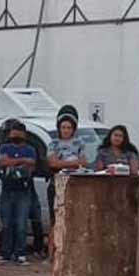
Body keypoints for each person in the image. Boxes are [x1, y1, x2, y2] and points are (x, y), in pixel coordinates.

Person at [47, 105, 87, 258]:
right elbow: (53, 163)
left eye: (69, 127)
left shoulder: (80, 143)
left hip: (75, 184)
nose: (66, 130)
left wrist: (63, 162)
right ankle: (52, 254)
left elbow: (83, 162)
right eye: (63, 127)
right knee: (55, 220)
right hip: (56, 184)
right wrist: (73, 162)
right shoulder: (53, 144)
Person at [0, 120, 36, 265]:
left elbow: (32, 164)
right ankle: (5, 253)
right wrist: (22, 161)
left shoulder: (30, 149)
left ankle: (20, 253)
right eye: (14, 132)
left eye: (19, 132)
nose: (16, 135)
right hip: (7, 188)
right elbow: (2, 162)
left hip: (23, 190)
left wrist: (12, 161)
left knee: (21, 223)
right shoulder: (4, 147)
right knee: (6, 223)